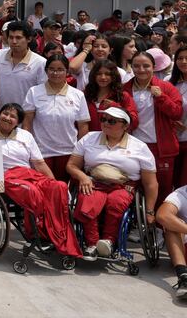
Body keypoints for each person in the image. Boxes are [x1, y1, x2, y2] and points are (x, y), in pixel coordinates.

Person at [0, 103, 80, 257]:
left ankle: (57, 235)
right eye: (5, 113)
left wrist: (54, 181)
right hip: (3, 178)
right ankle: (38, 234)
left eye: (13, 116)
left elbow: (39, 163)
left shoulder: (26, 136)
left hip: (27, 174)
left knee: (59, 187)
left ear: (18, 121)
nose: (8, 118)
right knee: (33, 192)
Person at [67, 106, 158, 260]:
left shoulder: (139, 147)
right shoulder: (89, 138)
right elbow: (71, 165)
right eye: (103, 119)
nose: (105, 123)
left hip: (124, 185)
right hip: (94, 181)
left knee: (116, 202)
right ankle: (92, 244)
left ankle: (108, 241)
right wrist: (82, 177)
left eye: (112, 121)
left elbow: (151, 183)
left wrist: (149, 211)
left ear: (125, 126)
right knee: (87, 200)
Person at [21, 55, 90, 181]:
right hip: (41, 152)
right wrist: (28, 147)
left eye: (60, 69)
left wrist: (80, 153)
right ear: (46, 71)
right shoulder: (34, 92)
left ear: (67, 71)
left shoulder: (78, 95)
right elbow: (27, 122)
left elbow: (83, 126)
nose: (55, 73)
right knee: (44, 189)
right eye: (51, 69)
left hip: (68, 152)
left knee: (64, 191)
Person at [128, 50, 183, 201]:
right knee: (135, 186)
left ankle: (159, 222)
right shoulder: (125, 88)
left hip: (161, 147)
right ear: (131, 67)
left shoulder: (166, 87)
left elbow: (177, 112)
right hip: (133, 146)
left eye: (146, 66)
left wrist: (161, 97)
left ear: (154, 66)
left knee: (163, 188)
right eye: (136, 66)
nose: (141, 70)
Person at [0, 21, 46, 118]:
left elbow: (42, 93)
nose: (14, 41)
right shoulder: (0, 55)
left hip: (26, 118)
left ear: (29, 39)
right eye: (11, 37)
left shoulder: (40, 62)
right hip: (1, 115)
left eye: (18, 38)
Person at [156, 184, 187, 299]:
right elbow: (162, 216)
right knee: (172, 226)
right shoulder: (182, 194)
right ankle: (183, 277)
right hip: (184, 248)